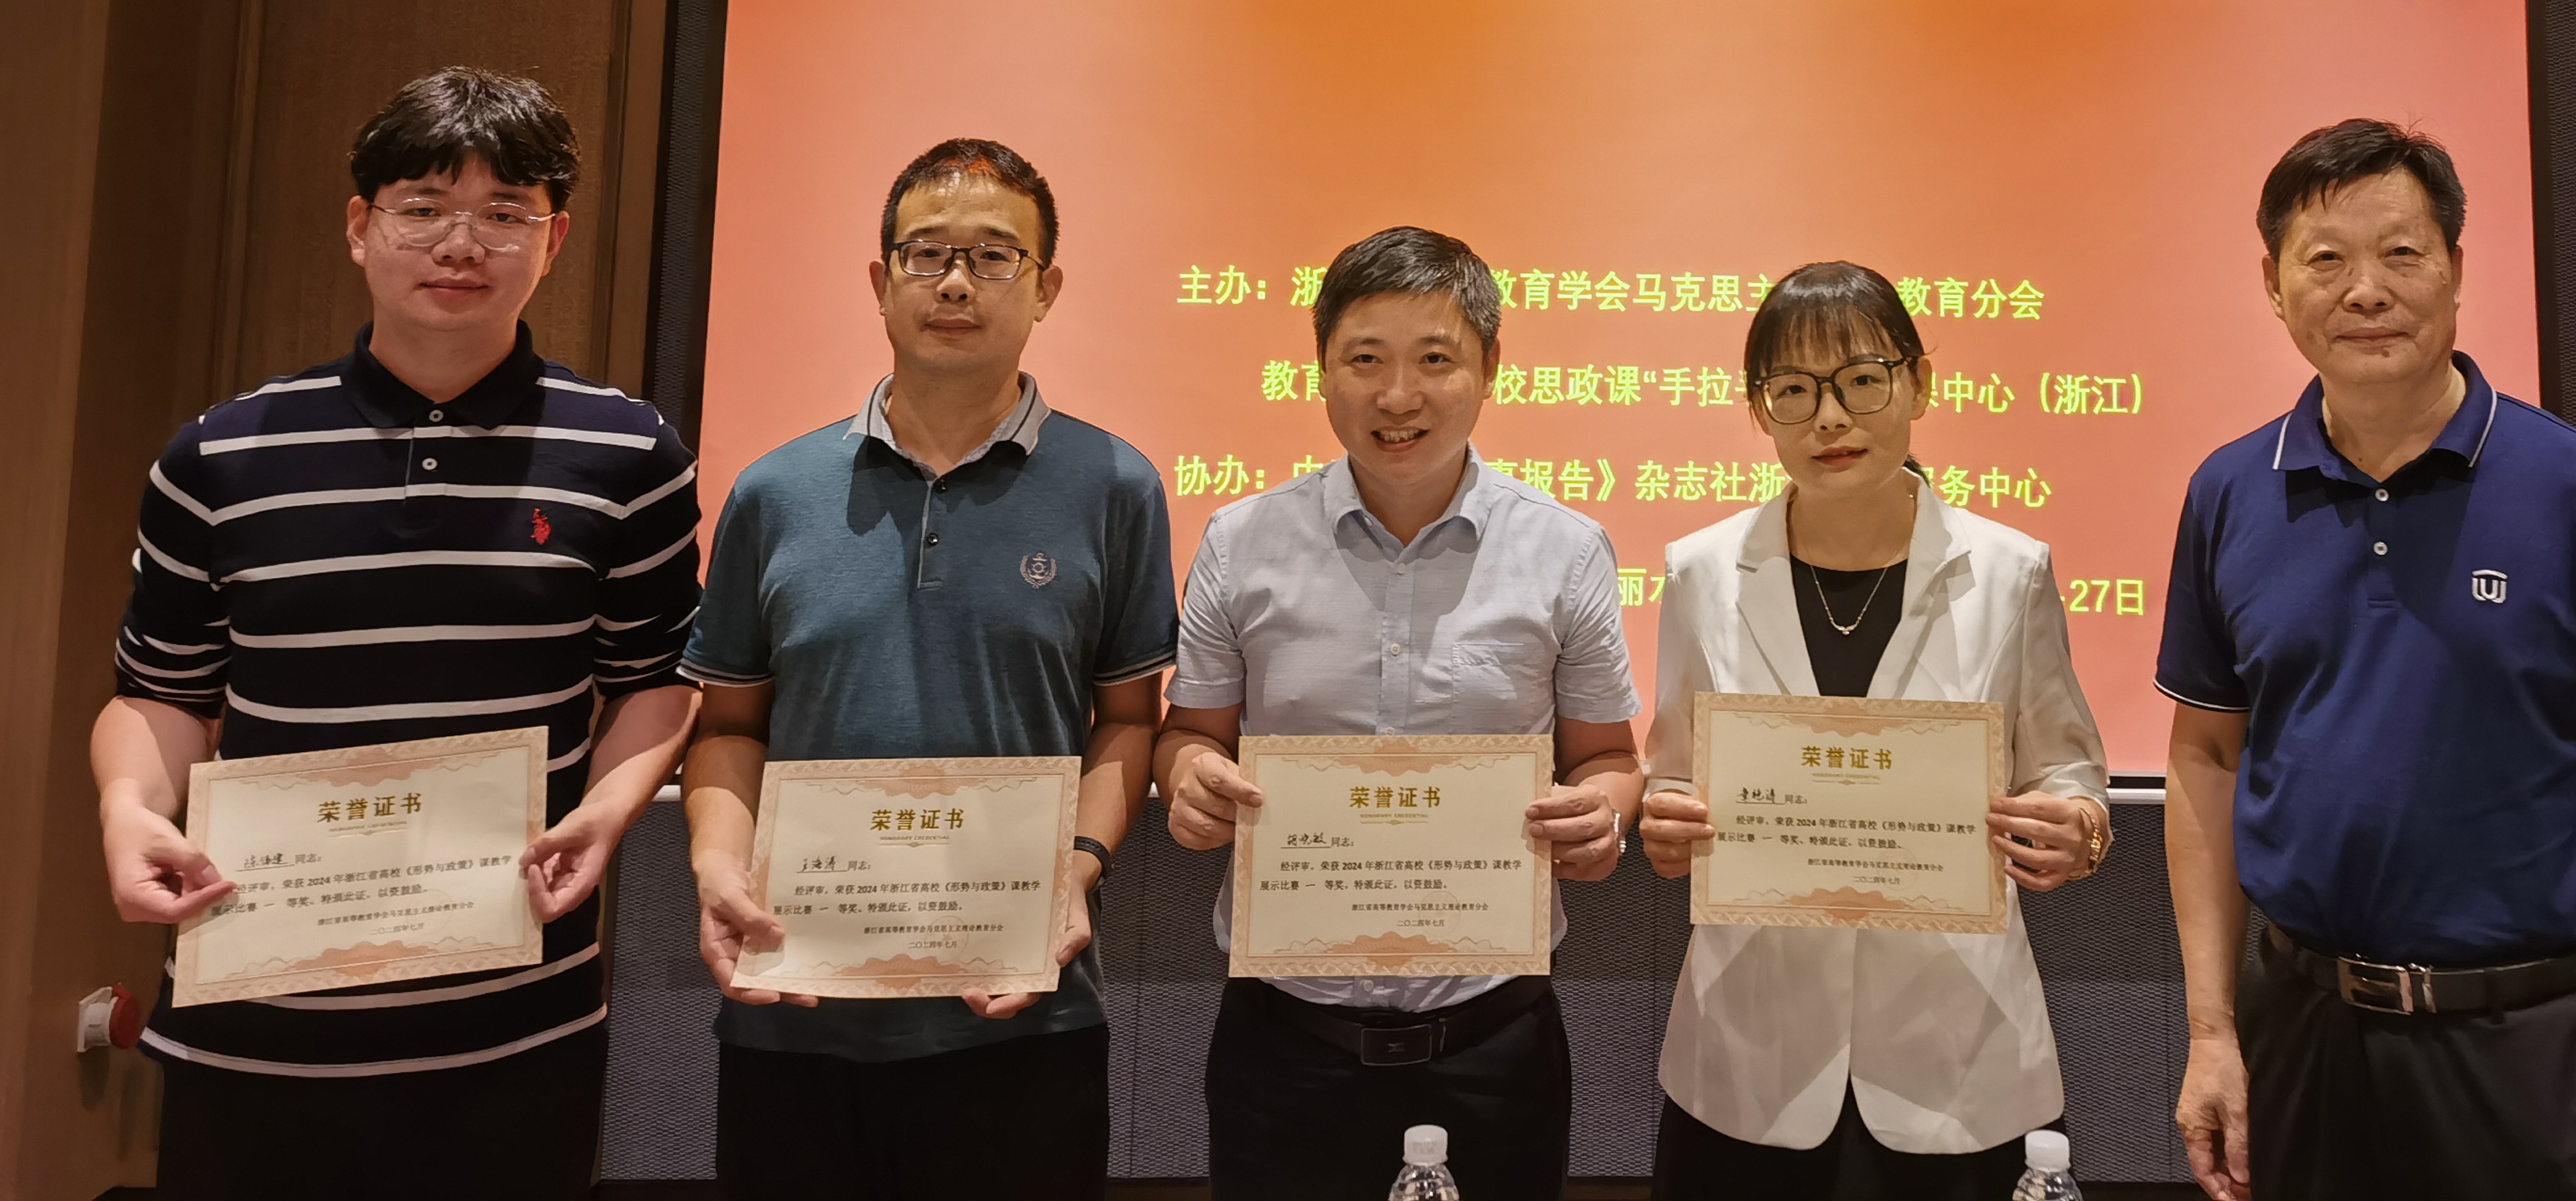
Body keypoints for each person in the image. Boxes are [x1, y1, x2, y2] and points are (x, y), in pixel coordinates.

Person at [93, 67, 703, 1201]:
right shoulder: (221, 456)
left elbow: (655, 679)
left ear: (556, 238)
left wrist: (608, 812)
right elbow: (160, 692)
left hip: (516, 1026)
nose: (461, 244)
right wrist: (131, 808)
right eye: (423, 207)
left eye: (505, 212)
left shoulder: (629, 455)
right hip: (256, 1015)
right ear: (359, 227)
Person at [2162, 119, 2576, 1201]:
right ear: (2274, 285)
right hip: (2306, 1038)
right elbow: (2205, 758)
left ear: (2457, 269)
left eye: (2401, 253)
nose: (2365, 291)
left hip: (2532, 1047)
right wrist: (2211, 1033)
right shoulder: (2229, 493)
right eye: (2325, 259)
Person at [679, 137, 1172, 1201]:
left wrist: (1076, 870)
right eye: (927, 253)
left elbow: (1130, 720)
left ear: (1045, 288)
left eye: (994, 256)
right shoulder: (774, 492)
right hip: (795, 1010)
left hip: (1022, 1011)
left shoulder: (1115, 485)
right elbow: (727, 727)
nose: (956, 282)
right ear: (880, 280)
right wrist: (717, 864)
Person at [1155, 226, 1643, 1201]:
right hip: (1284, 1037)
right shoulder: (1242, 542)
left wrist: (1606, 813)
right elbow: (1190, 735)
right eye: (1365, 360)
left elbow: (1606, 759)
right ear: (1320, 370)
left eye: (1434, 360)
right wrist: (1188, 780)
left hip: (1494, 1037)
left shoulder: (1565, 550)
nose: (1397, 397)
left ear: (1489, 367)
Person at [1639, 260, 2112, 1201]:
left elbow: (2067, 768)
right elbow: (1673, 774)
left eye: (1860, 380)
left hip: (1956, 1043)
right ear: (1758, 407)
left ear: (1918, 383)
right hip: (1752, 1043)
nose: (1829, 418)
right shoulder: (1700, 572)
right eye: (1793, 390)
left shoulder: (2010, 571)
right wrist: (1665, 821)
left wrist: (2079, 827)